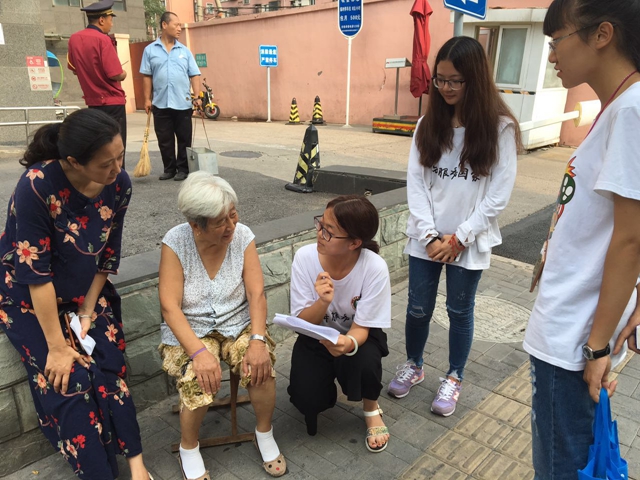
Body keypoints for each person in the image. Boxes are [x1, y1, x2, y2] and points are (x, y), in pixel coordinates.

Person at [0, 109, 153, 480]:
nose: (117, 168)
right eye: (106, 163)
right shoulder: (37, 185)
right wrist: (56, 347)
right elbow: (35, 273)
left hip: (84, 289)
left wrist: (86, 309)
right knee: (69, 381)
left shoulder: (120, 184)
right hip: (27, 296)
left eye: (121, 156)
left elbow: (108, 255)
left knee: (109, 365)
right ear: (73, 161)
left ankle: (136, 464)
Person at [523, 0, 640, 476]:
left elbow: (631, 240)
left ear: (602, 35)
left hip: (574, 336)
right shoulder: (619, 107)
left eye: (557, 40)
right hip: (574, 327)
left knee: (560, 467)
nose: (552, 54)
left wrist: (596, 348)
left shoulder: (631, 111)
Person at [387, 36, 520, 417]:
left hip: (468, 240)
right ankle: (414, 364)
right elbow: (416, 183)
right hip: (426, 239)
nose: (446, 88)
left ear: (474, 80)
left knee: (459, 311)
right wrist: (430, 236)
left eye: (455, 81)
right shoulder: (428, 124)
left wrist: (459, 238)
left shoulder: (500, 129)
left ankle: (454, 376)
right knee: (417, 308)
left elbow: (498, 195)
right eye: (440, 80)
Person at [158, 171, 286, 479]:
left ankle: (264, 433)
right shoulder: (176, 242)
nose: (231, 226)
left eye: (232, 214)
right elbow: (170, 307)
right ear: (196, 226)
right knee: (197, 377)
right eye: (220, 221)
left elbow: (256, 293)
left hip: (238, 323)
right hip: (191, 330)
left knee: (260, 366)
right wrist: (199, 353)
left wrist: (257, 340)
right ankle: (189, 447)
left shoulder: (242, 236)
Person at [288, 195, 392, 453]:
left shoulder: (374, 267)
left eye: (329, 231)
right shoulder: (305, 258)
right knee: (306, 397)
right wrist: (322, 302)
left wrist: (348, 343)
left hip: (356, 336)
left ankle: (371, 409)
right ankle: (317, 400)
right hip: (315, 335)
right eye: (320, 224)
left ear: (354, 243)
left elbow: (363, 327)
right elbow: (301, 322)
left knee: (366, 361)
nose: (319, 234)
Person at [140, 11, 201, 182]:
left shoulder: (184, 51)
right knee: (164, 139)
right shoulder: (150, 50)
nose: (179, 28)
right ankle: (169, 168)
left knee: (184, 139)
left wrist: (197, 96)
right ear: (164, 25)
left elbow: (194, 74)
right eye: (176, 25)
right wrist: (147, 99)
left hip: (183, 103)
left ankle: (183, 169)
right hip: (160, 103)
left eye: (180, 25)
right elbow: (147, 76)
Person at [67, 0, 128, 168]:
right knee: (116, 147)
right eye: (110, 19)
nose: (111, 23)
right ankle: (118, 180)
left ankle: (100, 178)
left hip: (93, 103)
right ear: (102, 20)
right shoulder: (103, 40)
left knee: (98, 147)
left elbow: (74, 69)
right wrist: (124, 73)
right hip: (112, 102)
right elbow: (115, 73)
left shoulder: (74, 39)